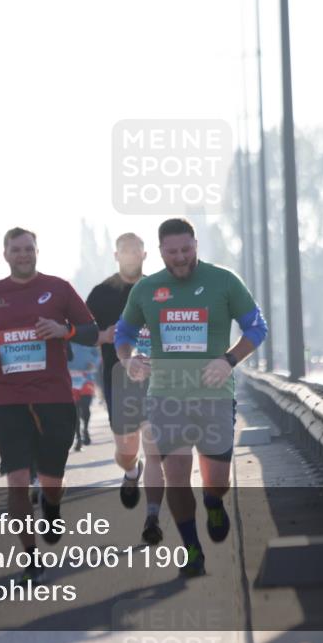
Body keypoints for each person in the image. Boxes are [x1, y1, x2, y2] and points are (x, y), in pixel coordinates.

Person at [116, 218, 268, 576]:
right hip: (166, 396)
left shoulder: (224, 281)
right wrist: (128, 360)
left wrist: (229, 360)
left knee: (217, 481)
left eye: (187, 249)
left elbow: (257, 327)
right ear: (160, 252)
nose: (181, 257)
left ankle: (214, 502)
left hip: (214, 396)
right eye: (173, 252)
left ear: (196, 245)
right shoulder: (147, 289)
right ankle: (192, 549)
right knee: (177, 473)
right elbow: (123, 332)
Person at [0, 227, 98, 584]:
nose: (23, 255)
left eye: (28, 249)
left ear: (37, 251)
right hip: (7, 398)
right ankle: (30, 558)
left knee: (52, 478)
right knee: (16, 481)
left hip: (54, 396)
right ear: (6, 254)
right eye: (16, 250)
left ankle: (52, 505)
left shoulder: (58, 288)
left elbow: (90, 330)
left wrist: (64, 330)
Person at [86, 232, 165, 543]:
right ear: (116, 256)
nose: (131, 254)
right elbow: (83, 334)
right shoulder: (102, 293)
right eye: (125, 250)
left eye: (136, 249)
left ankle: (153, 517)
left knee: (155, 448)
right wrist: (104, 335)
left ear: (145, 254)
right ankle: (131, 472)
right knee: (126, 449)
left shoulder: (160, 288)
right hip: (118, 381)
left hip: (156, 379)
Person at [67, 341, 99, 452]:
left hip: (86, 378)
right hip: (70, 379)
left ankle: (85, 429)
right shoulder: (64, 337)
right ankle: (78, 437)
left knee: (85, 407)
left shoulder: (87, 338)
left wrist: (94, 363)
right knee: (74, 411)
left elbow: (97, 355)